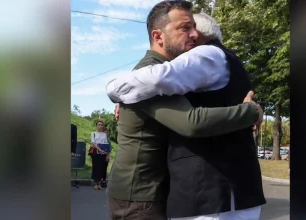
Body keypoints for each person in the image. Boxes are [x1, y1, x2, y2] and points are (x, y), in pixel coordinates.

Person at [105, 1, 263, 220]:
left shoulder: (171, 78)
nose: (193, 35)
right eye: (185, 28)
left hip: (149, 190)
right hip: (141, 194)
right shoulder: (151, 75)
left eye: (194, 28)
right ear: (158, 37)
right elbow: (191, 122)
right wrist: (250, 112)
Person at [91, 120, 110, 190]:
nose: (100, 126)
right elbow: (93, 143)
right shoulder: (93, 133)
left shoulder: (105, 134)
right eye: (99, 124)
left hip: (103, 153)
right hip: (96, 152)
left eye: (102, 125)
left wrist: (107, 154)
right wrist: (99, 150)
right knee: (96, 167)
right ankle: (96, 183)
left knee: (101, 168)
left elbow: (106, 144)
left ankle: (99, 184)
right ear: (96, 126)